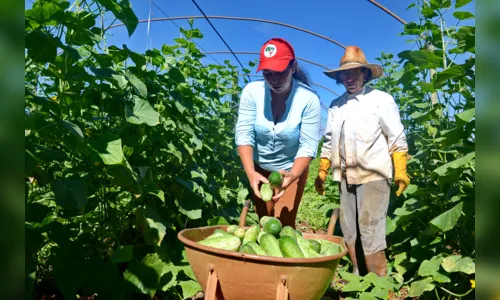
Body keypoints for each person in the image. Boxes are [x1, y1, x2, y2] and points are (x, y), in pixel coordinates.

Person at [315, 45, 410, 277]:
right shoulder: (336, 105)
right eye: (345, 74)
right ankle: (358, 277)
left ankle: (379, 283)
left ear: (365, 74)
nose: (350, 78)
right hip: (345, 177)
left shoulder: (381, 100)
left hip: (374, 175)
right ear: (339, 78)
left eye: (355, 73)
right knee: (349, 231)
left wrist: (400, 169)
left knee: (370, 231)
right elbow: (329, 141)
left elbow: (396, 136)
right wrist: (323, 169)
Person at [235, 37, 321, 228]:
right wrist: (251, 173)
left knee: (284, 224)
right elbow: (244, 133)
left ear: (293, 67)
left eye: (280, 73)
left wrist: (293, 175)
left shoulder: (308, 99)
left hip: (291, 169)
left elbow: (308, 145)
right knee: (264, 220)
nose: (274, 79)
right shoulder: (252, 92)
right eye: (267, 73)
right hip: (259, 167)